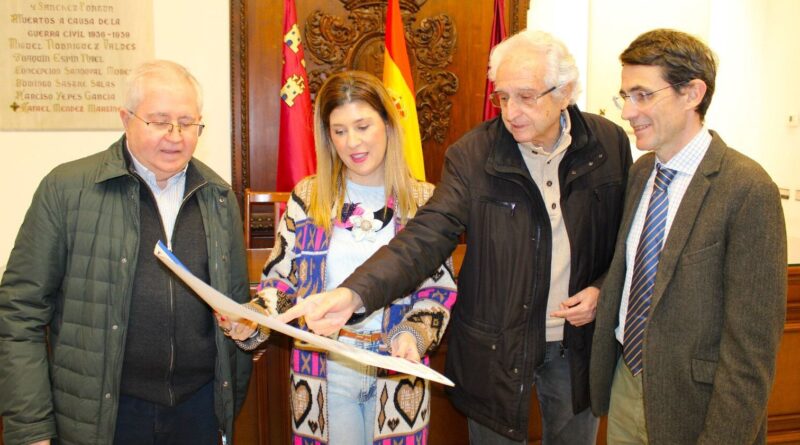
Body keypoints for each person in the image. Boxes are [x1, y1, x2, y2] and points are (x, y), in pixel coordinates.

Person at [282, 30, 632, 444]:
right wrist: (354, 294)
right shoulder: (473, 154)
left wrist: (602, 288)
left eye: (525, 96)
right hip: (498, 351)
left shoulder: (609, 144)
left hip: (576, 347)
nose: (511, 111)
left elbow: (626, 240)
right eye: (503, 97)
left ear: (565, 92)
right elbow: (425, 237)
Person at [0, 60, 252, 445]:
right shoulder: (67, 190)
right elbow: (20, 312)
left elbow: (236, 308)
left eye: (187, 123)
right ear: (125, 118)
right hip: (105, 414)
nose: (175, 136)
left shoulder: (217, 196)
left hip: (198, 410)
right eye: (160, 121)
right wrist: (31, 428)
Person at [219, 70, 457, 445]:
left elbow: (438, 291)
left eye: (363, 126)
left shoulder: (424, 202)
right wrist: (252, 317)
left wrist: (414, 334)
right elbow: (281, 284)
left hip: (397, 370)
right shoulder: (309, 197)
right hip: (323, 367)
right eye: (339, 131)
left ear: (388, 125)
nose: (352, 143)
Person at [589, 29, 787, 444]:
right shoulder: (641, 172)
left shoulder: (748, 189)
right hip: (626, 383)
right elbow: (639, 274)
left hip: (695, 406)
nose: (628, 112)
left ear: (692, 93)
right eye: (625, 96)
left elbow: (751, 350)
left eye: (643, 95)